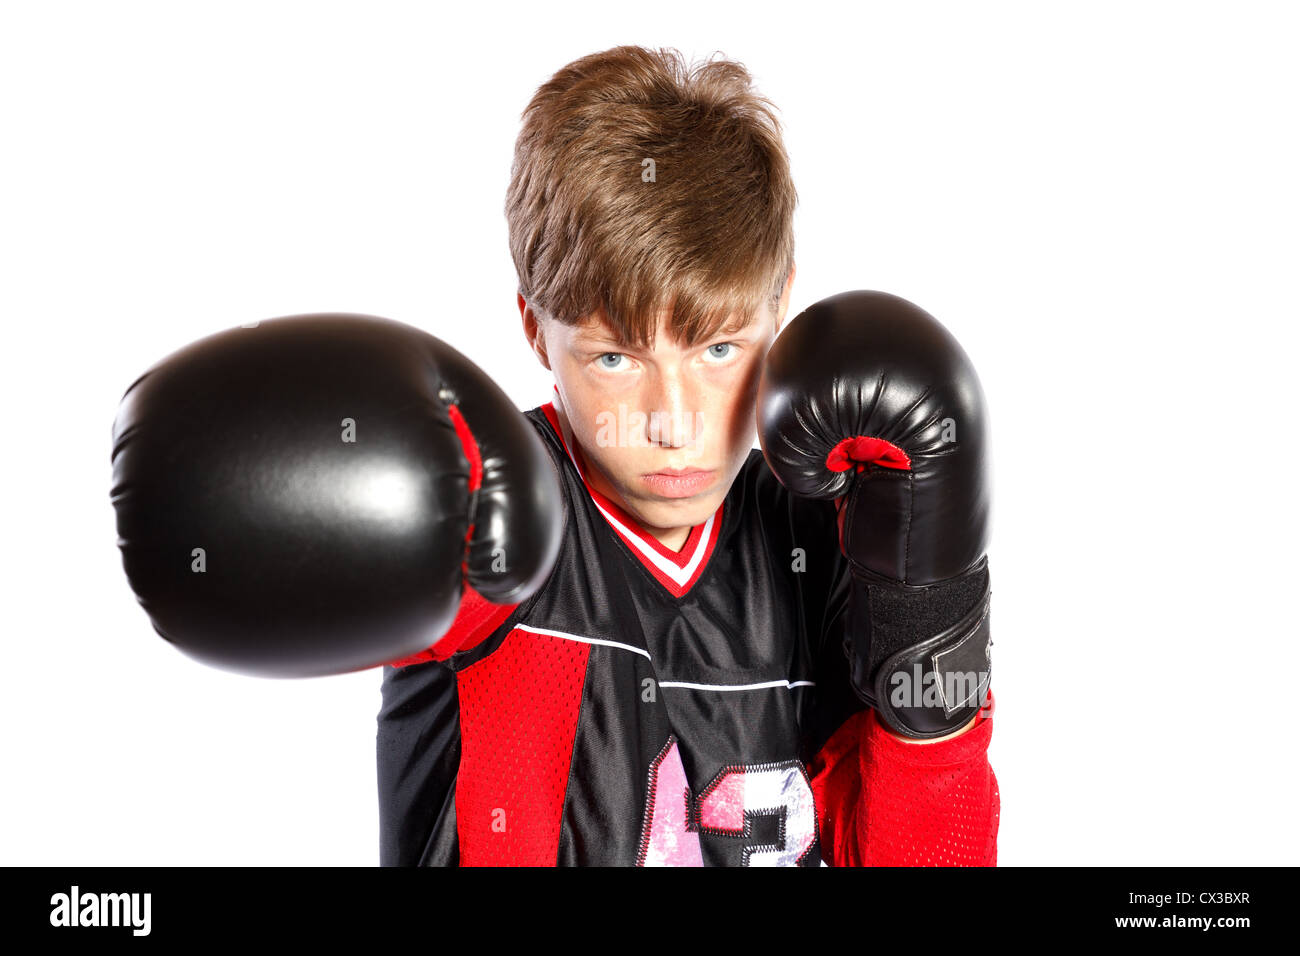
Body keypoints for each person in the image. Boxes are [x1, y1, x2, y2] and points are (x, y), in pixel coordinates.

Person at [375, 45, 999, 866]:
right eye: (615, 359)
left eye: (717, 349)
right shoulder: (494, 513)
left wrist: (932, 623)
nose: (673, 424)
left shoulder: (841, 529)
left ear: (781, 305)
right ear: (535, 330)